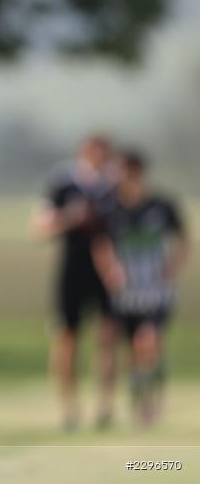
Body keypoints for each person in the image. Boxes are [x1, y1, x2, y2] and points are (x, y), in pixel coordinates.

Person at [91, 150, 189, 427]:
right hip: (125, 292)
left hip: (155, 290)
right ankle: (137, 399)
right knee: (129, 349)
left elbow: (183, 241)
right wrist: (110, 270)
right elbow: (101, 244)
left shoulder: (162, 205)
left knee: (148, 341)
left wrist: (171, 267)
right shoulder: (110, 208)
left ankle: (154, 399)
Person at [32, 135, 118, 430]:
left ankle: (105, 406)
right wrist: (70, 218)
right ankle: (69, 408)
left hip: (106, 272)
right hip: (72, 270)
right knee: (67, 338)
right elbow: (40, 227)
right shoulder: (63, 182)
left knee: (107, 337)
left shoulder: (114, 185)